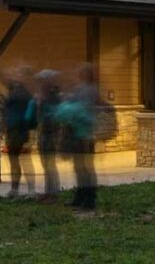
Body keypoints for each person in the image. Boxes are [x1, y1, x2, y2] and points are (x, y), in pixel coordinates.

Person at [61, 64, 102, 212]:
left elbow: (78, 109)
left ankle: (88, 201)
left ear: (83, 75)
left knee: (84, 169)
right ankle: (81, 198)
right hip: (85, 134)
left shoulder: (86, 91)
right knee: (81, 168)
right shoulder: (90, 90)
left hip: (82, 134)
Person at [0, 66, 37, 198]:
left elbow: (29, 113)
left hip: (21, 129)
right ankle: (14, 188)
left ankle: (31, 189)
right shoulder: (15, 90)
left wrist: (28, 131)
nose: (15, 76)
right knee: (13, 159)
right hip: (13, 128)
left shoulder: (25, 93)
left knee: (24, 159)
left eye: (18, 74)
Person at [33, 69, 63, 202]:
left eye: (41, 81)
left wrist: (41, 103)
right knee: (45, 163)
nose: (39, 84)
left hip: (51, 132)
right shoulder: (44, 96)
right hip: (44, 131)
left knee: (50, 164)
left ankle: (53, 193)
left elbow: (53, 115)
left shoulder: (53, 97)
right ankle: (48, 191)